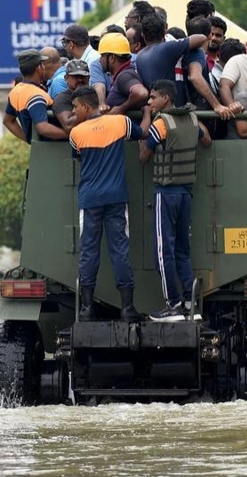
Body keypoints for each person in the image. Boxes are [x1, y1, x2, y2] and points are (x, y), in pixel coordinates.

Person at [69, 87, 151, 322]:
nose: (74, 112)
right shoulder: (120, 123)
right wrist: (146, 112)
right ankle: (127, 308)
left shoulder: (76, 133)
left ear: (85, 106)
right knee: (120, 251)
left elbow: (78, 157)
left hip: (89, 199)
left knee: (88, 252)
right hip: (116, 198)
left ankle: (86, 309)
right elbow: (143, 133)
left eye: (75, 107)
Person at [138, 80, 211, 321]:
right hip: (185, 194)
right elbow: (206, 140)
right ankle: (190, 305)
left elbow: (143, 156)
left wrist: (146, 117)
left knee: (163, 251)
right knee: (182, 249)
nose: (149, 101)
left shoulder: (161, 123)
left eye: (153, 97)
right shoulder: (191, 119)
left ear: (165, 100)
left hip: (165, 193)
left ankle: (172, 305)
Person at [3, 49, 66, 143]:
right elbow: (43, 128)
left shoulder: (15, 91)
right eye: (42, 64)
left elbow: (7, 121)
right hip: (55, 149)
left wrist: (29, 139)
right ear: (39, 69)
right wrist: (70, 135)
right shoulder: (36, 96)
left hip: (40, 150)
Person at [135, 13, 206, 91]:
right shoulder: (167, 48)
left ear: (143, 35)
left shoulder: (139, 56)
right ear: (165, 31)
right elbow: (202, 38)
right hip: (173, 100)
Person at [181, 17, 235, 118]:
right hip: (195, 114)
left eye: (218, 35)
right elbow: (195, 77)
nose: (214, 38)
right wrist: (217, 105)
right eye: (212, 34)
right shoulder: (198, 53)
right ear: (209, 35)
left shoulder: (183, 52)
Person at [98, 33, 149, 115]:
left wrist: (121, 109)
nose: (100, 60)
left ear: (112, 58)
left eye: (102, 55)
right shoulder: (125, 72)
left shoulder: (124, 76)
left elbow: (141, 93)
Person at [50, 59, 90, 134]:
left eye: (83, 76)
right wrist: (88, 111)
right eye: (76, 76)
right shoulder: (62, 98)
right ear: (66, 78)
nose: (80, 79)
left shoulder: (94, 94)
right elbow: (68, 126)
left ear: (88, 77)